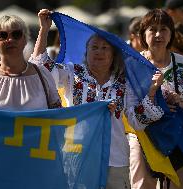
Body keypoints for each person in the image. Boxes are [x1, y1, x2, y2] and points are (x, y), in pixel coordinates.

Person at [30, 9, 166, 189]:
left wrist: (152, 92)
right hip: (77, 155)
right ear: (86, 52)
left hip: (115, 160)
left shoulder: (123, 82)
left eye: (104, 48)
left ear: (113, 55)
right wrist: (44, 30)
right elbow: (41, 67)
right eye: (94, 47)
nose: (99, 52)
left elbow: (136, 121)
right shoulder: (72, 73)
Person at [128, 9, 183, 189]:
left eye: (164, 29)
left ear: (171, 33)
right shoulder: (132, 65)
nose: (158, 34)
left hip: (177, 137)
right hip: (141, 138)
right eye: (152, 29)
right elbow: (128, 107)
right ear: (143, 34)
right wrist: (153, 95)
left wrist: (178, 104)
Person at [0, 15, 61, 110]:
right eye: (2, 35)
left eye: (16, 34)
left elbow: (58, 115)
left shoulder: (43, 74)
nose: (10, 40)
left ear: (25, 40)